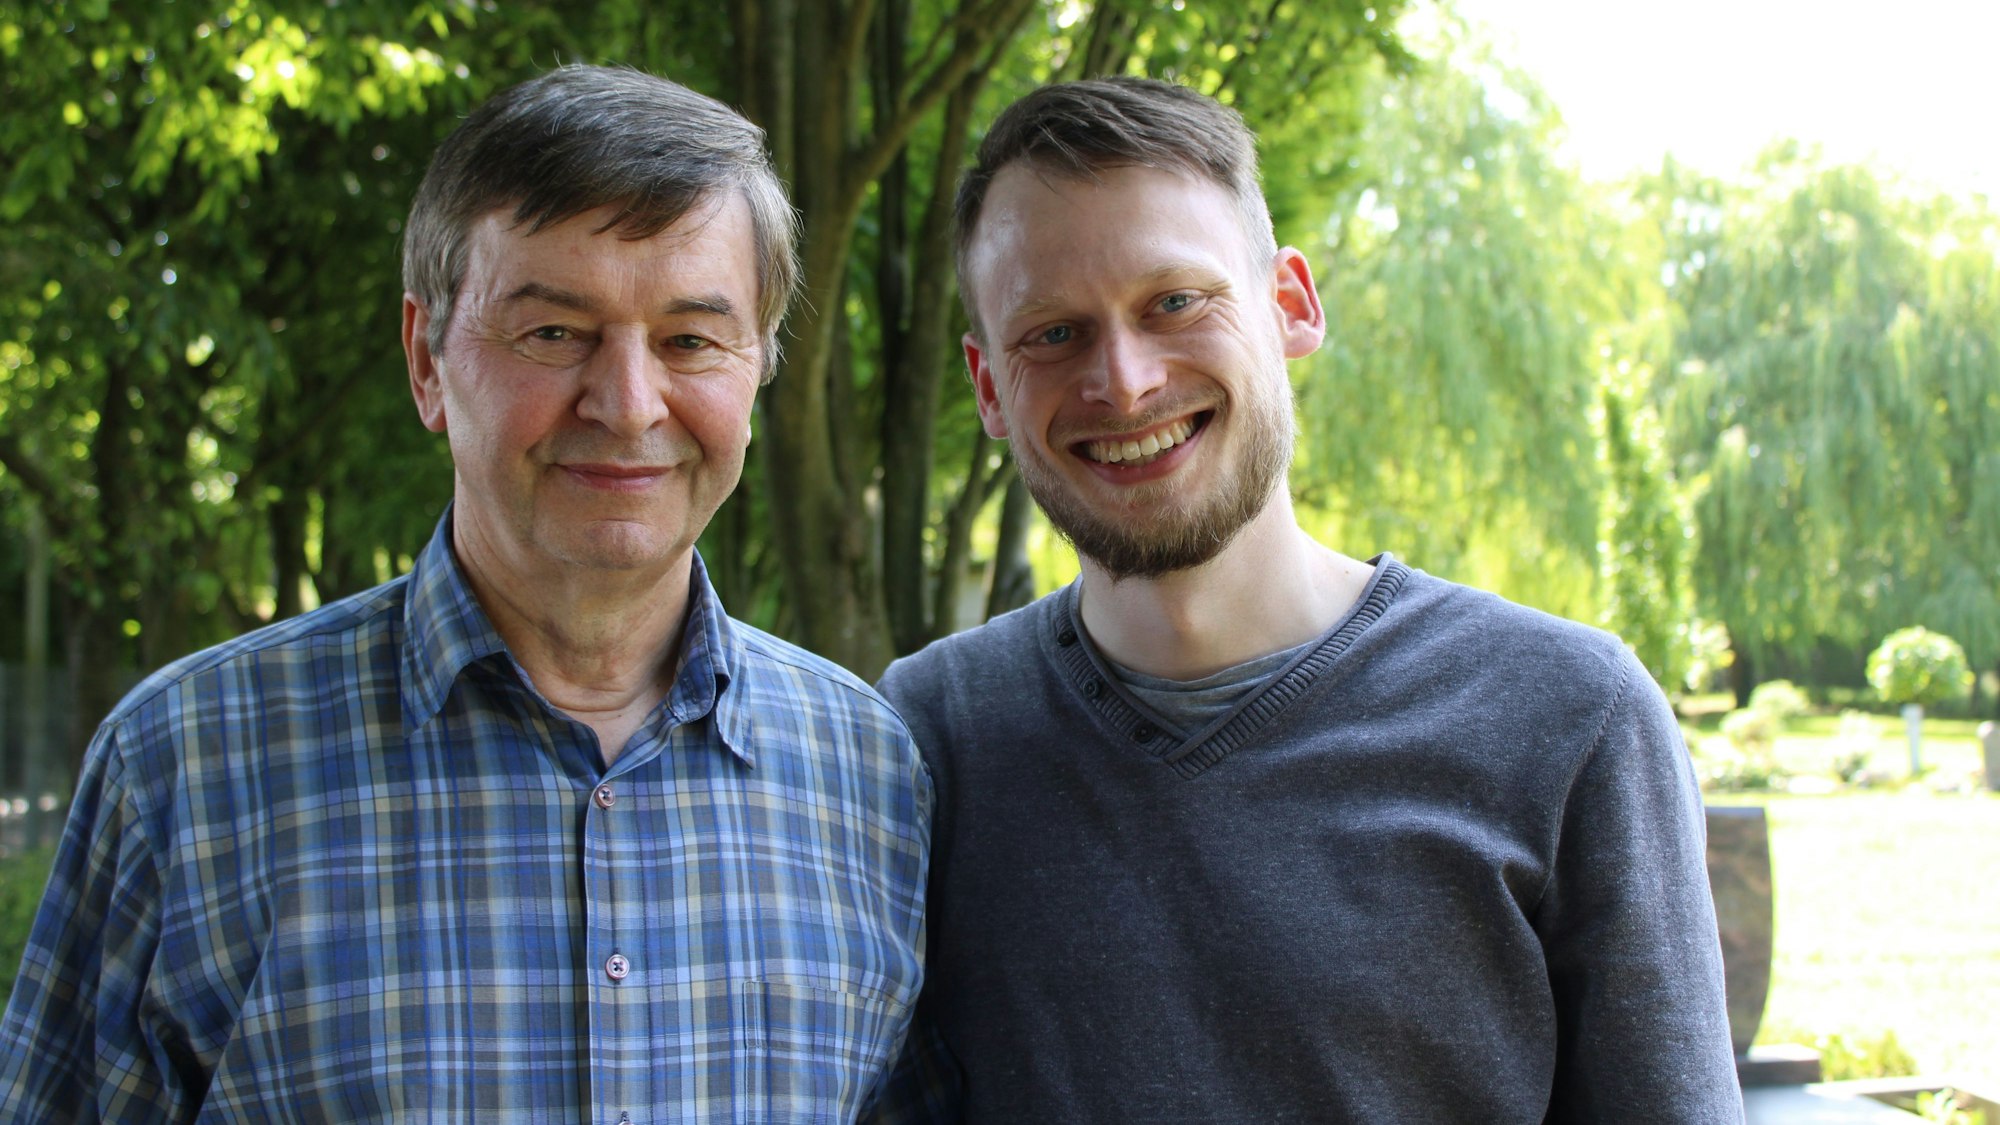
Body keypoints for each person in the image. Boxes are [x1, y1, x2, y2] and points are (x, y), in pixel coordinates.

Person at [0, 65, 930, 1122]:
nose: (628, 405)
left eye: (688, 340)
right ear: (427, 362)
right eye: (552, 332)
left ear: (757, 368)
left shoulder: (871, 778)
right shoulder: (183, 771)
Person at [870, 76, 1741, 1122]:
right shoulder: (928, 736)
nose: (1124, 380)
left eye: (1175, 303)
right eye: (1051, 334)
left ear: (1290, 305)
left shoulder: (1566, 720)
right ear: (985, 390)